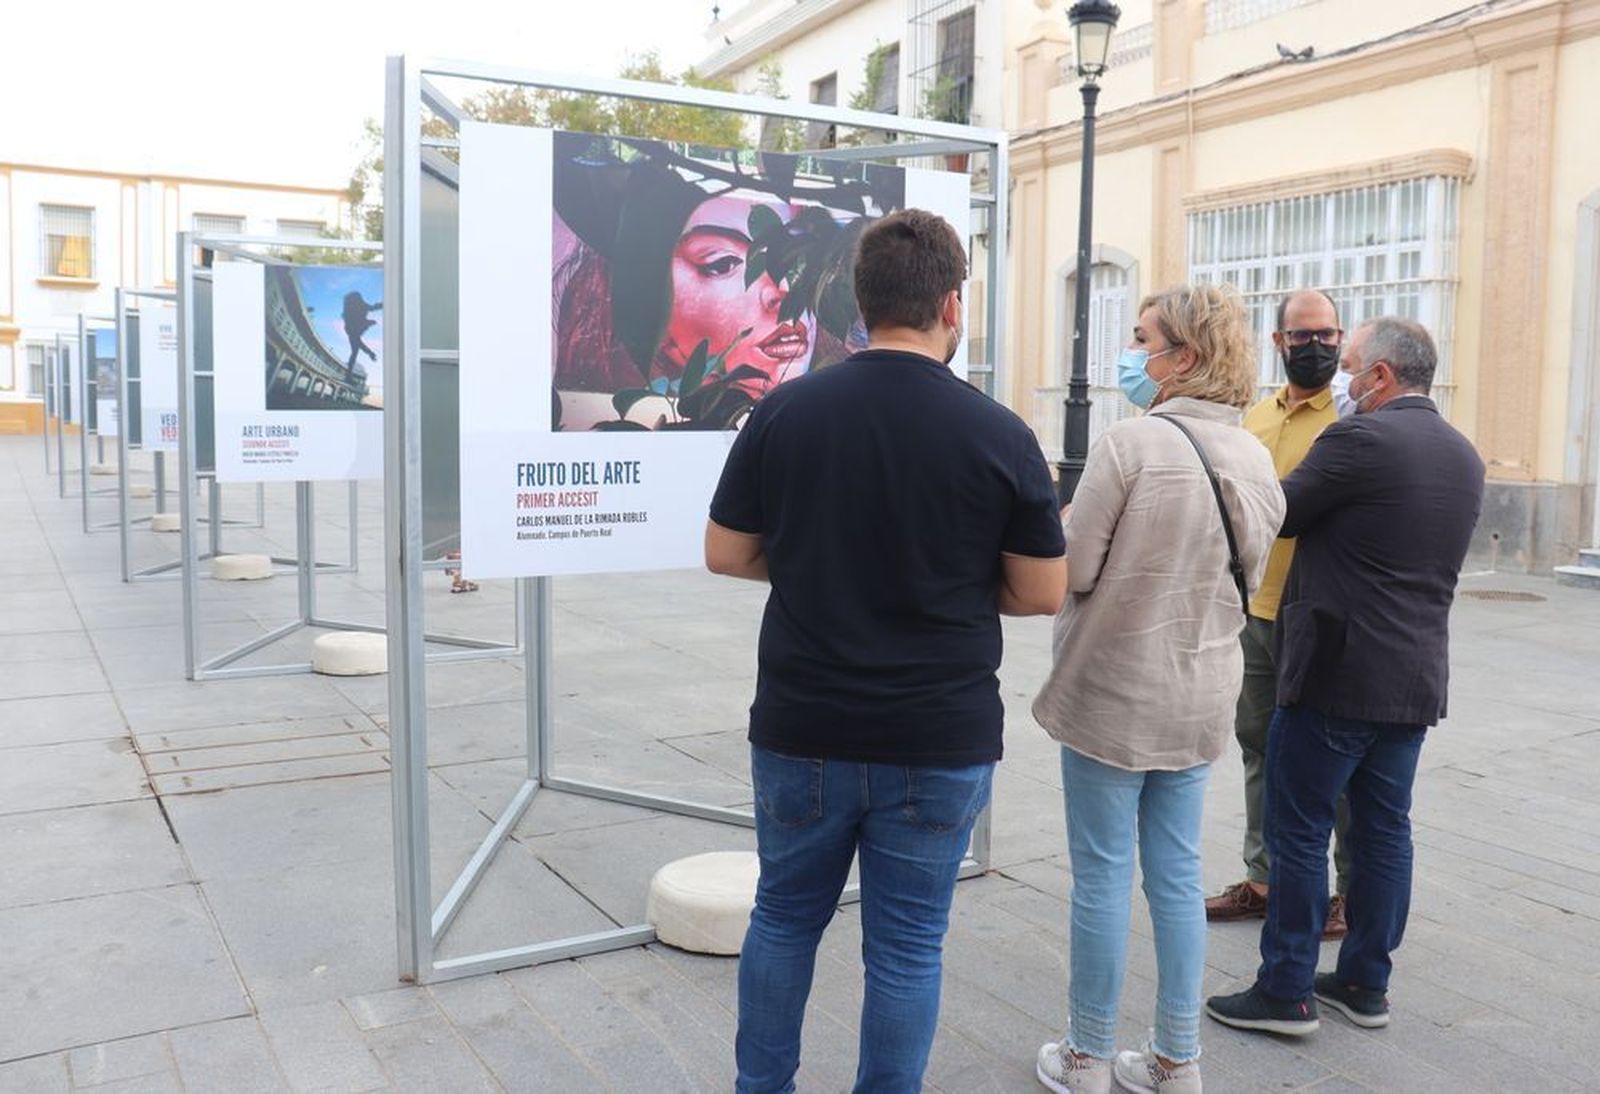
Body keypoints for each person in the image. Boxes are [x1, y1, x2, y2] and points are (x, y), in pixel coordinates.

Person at [705, 208, 1067, 1093]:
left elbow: (726, 551)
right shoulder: (1000, 434)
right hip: (936, 734)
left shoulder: (785, 410)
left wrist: (817, 572)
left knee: (783, 919)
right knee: (908, 946)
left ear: (860, 305)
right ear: (953, 304)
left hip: (803, 723)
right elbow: (1040, 591)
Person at [1033, 284, 1285, 1094]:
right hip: (1202, 687)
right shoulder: (1254, 456)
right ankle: (1178, 1061)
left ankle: (1086, 1055)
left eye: (1143, 339)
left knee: (1103, 874)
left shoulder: (1130, 445)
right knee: (1175, 874)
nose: (1131, 355)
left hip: (1113, 690)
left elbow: (1072, 572)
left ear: (1182, 357)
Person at [1205, 317, 1485, 1035]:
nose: (1342, 380)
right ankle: (1365, 982)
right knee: (1385, 832)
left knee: (1297, 830)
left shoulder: (1358, 437)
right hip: (1413, 675)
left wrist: (1230, 458)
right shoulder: (1463, 454)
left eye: (1352, 367)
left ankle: (1287, 990)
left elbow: (1281, 514)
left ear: (1384, 376)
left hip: (1336, 674)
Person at [1205, 289, 1354, 941]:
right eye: (1302, 336)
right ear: (1278, 342)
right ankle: (1264, 879)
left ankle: (1351, 891)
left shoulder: (1352, 417)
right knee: (1258, 746)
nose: (1316, 346)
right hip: (1258, 612)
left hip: (1326, 617)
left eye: (1327, 335)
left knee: (1339, 761)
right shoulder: (1256, 419)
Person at [341, 292, 381, 374]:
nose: (367, 330)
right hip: (353, 327)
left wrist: (370, 353)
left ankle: (348, 374)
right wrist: (370, 353)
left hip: (352, 326)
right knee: (354, 352)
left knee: (354, 352)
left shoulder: (352, 326)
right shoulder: (354, 329)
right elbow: (359, 344)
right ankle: (348, 374)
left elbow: (358, 345)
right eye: (367, 328)